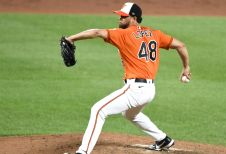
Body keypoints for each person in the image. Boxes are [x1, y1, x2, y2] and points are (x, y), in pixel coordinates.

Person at [66, 2, 191, 154]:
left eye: (123, 16)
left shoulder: (124, 34)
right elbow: (181, 45)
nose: (119, 19)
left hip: (136, 90)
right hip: (149, 90)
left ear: (133, 17)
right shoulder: (155, 34)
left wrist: (71, 39)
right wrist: (186, 68)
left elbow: (97, 32)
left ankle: (83, 152)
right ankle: (163, 139)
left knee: (98, 110)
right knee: (130, 114)